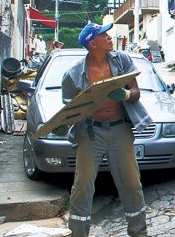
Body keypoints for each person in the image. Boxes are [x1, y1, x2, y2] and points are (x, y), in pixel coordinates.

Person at [61, 23, 151, 237]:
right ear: (92, 43)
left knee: (131, 183)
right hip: (91, 133)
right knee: (83, 185)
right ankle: (78, 233)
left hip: (121, 129)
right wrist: (61, 125)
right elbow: (69, 110)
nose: (110, 37)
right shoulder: (73, 75)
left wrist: (127, 95)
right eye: (104, 35)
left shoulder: (122, 60)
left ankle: (139, 232)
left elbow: (136, 90)